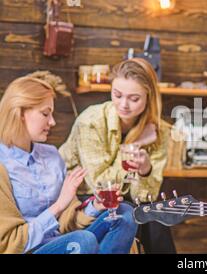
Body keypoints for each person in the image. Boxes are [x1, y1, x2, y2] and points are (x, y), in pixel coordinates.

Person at [0, 77, 137, 254]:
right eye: (45, 113)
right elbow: (9, 242)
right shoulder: (3, 165)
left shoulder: (51, 156)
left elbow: (68, 223)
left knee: (124, 213)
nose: (52, 122)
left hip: (66, 241)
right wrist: (58, 206)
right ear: (20, 113)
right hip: (29, 250)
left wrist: (95, 207)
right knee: (82, 240)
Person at [58, 58, 176, 254]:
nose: (123, 104)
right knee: (127, 213)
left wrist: (145, 170)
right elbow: (99, 185)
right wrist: (133, 146)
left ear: (149, 96)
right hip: (83, 196)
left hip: (126, 196)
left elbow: (146, 196)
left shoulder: (159, 131)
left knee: (157, 215)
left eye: (134, 98)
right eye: (117, 94)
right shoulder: (91, 121)